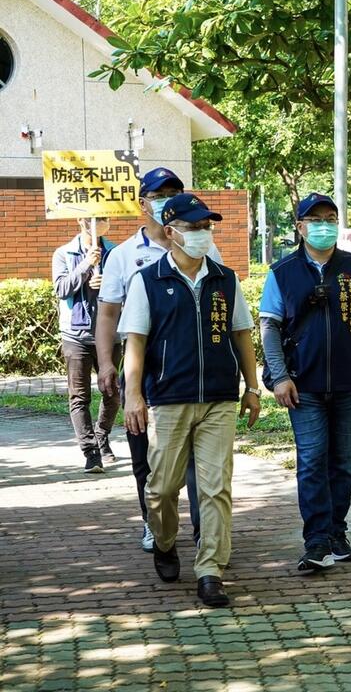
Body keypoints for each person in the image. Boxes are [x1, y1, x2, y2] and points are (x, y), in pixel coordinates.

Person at [120, 193, 260, 608]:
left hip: (219, 399)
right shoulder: (147, 281)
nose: (203, 233)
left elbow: (241, 334)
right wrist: (133, 395)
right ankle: (164, 542)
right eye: (194, 227)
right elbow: (135, 343)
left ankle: (210, 571)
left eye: (206, 226)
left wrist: (252, 388)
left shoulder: (225, 279)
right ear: (171, 231)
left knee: (216, 488)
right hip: (168, 399)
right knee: (161, 488)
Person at [259, 193, 351, 572]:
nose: (324, 225)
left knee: (343, 463)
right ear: (300, 227)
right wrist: (279, 376)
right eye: (316, 219)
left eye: (330, 218)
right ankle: (317, 539)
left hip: (348, 381)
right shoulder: (282, 272)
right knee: (311, 460)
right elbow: (269, 327)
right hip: (302, 384)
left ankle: (337, 532)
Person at [97, 167, 221, 552]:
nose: (168, 198)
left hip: (193, 369)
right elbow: (108, 314)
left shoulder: (202, 244)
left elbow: (222, 300)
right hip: (143, 368)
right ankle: (155, 524)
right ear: (143, 203)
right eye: (160, 194)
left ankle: (205, 533)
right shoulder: (123, 256)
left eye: (174, 192)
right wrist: (106, 363)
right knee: (146, 456)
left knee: (200, 461)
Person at [52, 217, 121, 473]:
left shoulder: (115, 252)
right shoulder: (64, 253)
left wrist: (108, 284)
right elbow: (61, 288)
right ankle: (91, 452)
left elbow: (130, 288)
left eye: (106, 217)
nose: (105, 221)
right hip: (76, 336)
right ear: (82, 220)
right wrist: (85, 266)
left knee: (113, 392)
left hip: (110, 334)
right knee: (79, 396)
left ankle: (102, 436)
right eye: (99, 218)